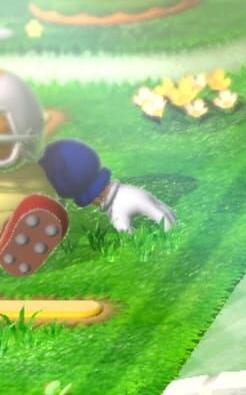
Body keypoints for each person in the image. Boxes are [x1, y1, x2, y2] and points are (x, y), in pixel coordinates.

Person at [0, 70, 175, 277]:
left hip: (21, 206)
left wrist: (111, 194)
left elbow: (76, 171)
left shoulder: (52, 164)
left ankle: (12, 234)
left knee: (63, 162)